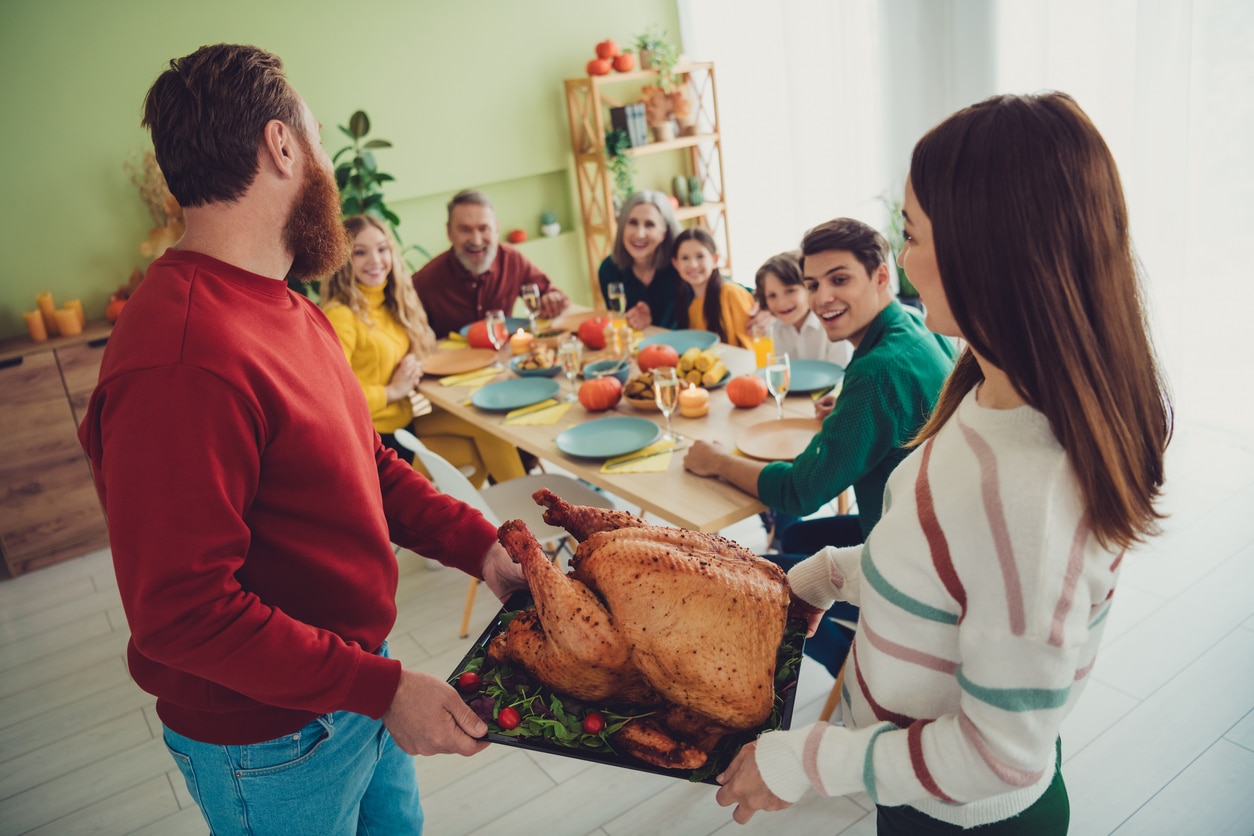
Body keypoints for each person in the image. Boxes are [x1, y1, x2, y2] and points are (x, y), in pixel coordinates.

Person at [77, 44, 525, 835]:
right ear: (282, 146)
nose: (328, 166)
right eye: (317, 139)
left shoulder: (282, 305)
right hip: (275, 739)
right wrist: (383, 689)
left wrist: (482, 546)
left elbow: (363, 463)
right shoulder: (181, 358)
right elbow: (182, 614)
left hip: (354, 680)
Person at [715, 92, 1172, 834]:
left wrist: (809, 761)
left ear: (985, 250)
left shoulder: (1031, 494)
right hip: (918, 794)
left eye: (911, 232)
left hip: (966, 818)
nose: (902, 258)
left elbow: (999, 758)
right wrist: (834, 572)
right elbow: (943, 563)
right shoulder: (990, 394)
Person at [683, 217, 957, 676]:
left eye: (840, 279)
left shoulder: (876, 370)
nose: (822, 296)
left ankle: (853, 664)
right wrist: (848, 411)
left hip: (906, 555)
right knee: (795, 537)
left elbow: (800, 492)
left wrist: (718, 462)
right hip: (930, 528)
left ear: (881, 276)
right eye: (813, 284)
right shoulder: (909, 325)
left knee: (760, 576)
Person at [323, 215, 526, 486]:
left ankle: (522, 519)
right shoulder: (340, 316)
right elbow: (334, 398)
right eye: (360, 252)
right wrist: (393, 390)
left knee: (489, 428)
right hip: (378, 440)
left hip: (403, 418)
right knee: (475, 455)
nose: (376, 260)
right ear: (343, 259)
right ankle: (533, 519)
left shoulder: (388, 306)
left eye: (382, 249)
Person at [411, 189, 569, 337]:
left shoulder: (511, 260)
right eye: (465, 230)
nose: (476, 240)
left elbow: (550, 293)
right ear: (449, 233)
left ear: (496, 229)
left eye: (483, 228)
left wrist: (551, 300)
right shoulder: (425, 281)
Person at [598, 190, 683, 330]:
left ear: (663, 233)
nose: (639, 234)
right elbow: (618, 322)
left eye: (649, 224)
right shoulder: (609, 270)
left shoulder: (680, 267)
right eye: (632, 223)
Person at [752, 250, 851, 366]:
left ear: (809, 288)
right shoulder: (771, 331)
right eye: (772, 295)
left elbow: (841, 375)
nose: (781, 303)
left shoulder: (833, 326)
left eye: (790, 291)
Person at [672, 227, 755, 347]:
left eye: (700, 256)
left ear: (715, 259)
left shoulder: (732, 293)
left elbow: (750, 347)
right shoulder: (687, 302)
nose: (693, 264)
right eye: (685, 258)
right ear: (676, 264)